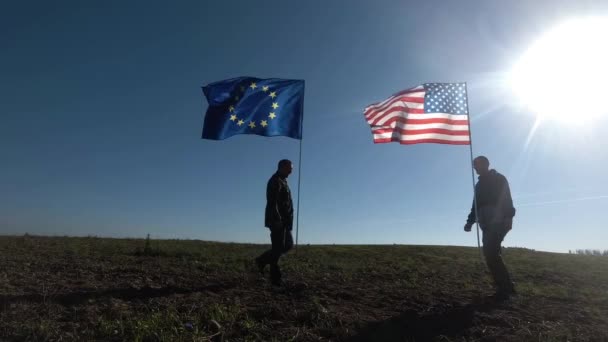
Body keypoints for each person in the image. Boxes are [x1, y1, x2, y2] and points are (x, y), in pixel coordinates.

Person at [464, 156, 516, 300]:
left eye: (477, 165)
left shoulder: (499, 178)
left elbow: (507, 198)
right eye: (474, 165)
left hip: (498, 220)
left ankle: (505, 287)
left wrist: (509, 217)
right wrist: (470, 222)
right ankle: (503, 286)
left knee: (490, 252)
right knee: (492, 252)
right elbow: (475, 206)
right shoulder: (478, 185)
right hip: (485, 223)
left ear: (486, 164)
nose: (474, 168)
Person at [255, 159, 294, 286]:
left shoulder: (283, 181)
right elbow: (272, 202)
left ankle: (261, 260)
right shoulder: (275, 180)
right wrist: (277, 220)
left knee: (287, 245)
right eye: (290, 167)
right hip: (277, 220)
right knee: (278, 248)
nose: (292, 170)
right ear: (282, 167)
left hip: (284, 221)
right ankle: (275, 279)